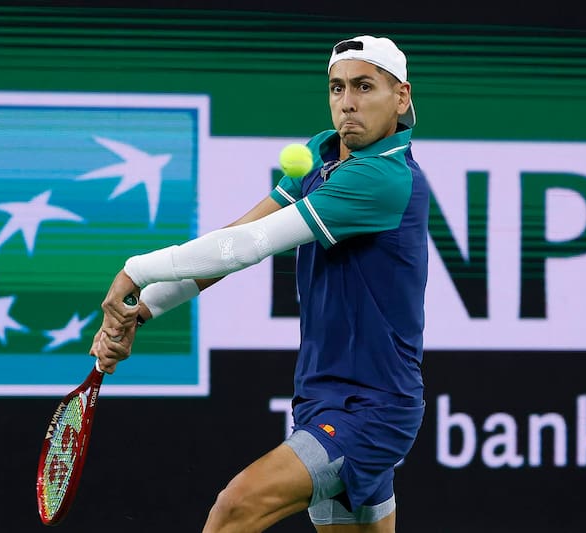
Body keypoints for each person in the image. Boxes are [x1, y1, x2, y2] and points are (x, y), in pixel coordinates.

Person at [91, 34, 430, 533]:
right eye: (336, 89)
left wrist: (136, 271)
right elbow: (234, 240)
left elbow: (252, 247)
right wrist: (143, 309)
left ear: (401, 97)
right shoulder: (322, 154)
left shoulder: (384, 179)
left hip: (372, 409)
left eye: (364, 87)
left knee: (236, 508)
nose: (348, 104)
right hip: (322, 398)